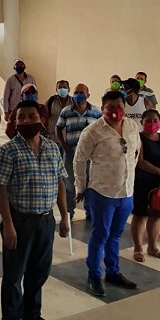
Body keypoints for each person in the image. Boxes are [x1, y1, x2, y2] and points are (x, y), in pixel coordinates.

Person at [0, 100, 69, 320]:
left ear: (41, 120)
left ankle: (32, 315)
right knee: (14, 274)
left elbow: (60, 182)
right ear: (14, 122)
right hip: (19, 221)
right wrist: (9, 225)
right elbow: (0, 188)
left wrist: (64, 216)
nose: (26, 121)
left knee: (39, 271)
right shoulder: (8, 150)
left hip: (45, 220)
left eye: (31, 116)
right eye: (21, 117)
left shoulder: (52, 148)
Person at [74, 90, 141, 297]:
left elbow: (135, 152)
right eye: (110, 107)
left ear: (124, 107)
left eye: (119, 107)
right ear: (103, 108)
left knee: (116, 234)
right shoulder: (93, 131)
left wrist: (130, 176)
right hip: (102, 192)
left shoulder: (131, 126)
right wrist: (81, 187)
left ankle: (113, 271)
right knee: (100, 234)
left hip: (126, 191)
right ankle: (94, 275)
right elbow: (79, 160)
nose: (115, 111)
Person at [130, 110, 160, 262]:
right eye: (148, 121)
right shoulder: (139, 138)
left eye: (155, 120)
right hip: (143, 181)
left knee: (157, 215)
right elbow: (140, 161)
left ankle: (153, 247)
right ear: (142, 122)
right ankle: (138, 248)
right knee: (141, 215)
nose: (152, 123)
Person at [56, 84, 102, 219]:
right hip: (71, 153)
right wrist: (64, 145)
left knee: (90, 183)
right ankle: (68, 212)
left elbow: (102, 131)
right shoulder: (66, 111)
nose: (78, 95)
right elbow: (58, 128)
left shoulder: (96, 112)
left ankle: (90, 211)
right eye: (76, 93)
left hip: (90, 156)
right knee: (69, 183)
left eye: (82, 93)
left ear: (88, 95)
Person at [45, 81, 73, 148]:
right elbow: (44, 117)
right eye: (60, 87)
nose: (62, 89)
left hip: (69, 140)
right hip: (53, 139)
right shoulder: (50, 101)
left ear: (69, 89)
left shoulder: (73, 102)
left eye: (64, 87)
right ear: (56, 90)